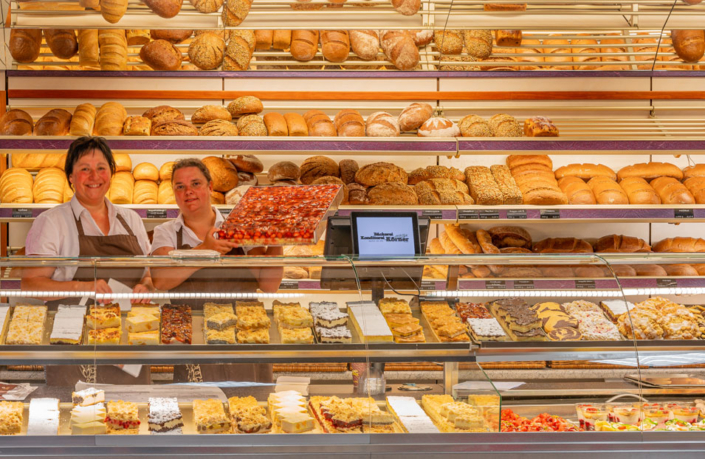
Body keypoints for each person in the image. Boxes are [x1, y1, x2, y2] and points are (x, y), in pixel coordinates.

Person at [22, 136, 153, 385]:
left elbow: (148, 273)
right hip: (74, 343)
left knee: (131, 417)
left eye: (101, 168)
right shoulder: (52, 221)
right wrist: (86, 285)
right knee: (78, 418)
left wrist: (146, 286)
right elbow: (32, 284)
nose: (94, 176)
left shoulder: (131, 219)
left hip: (128, 343)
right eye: (85, 169)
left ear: (111, 174)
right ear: (71, 177)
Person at [151, 158, 283, 382]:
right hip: (194, 344)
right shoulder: (166, 232)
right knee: (199, 414)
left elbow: (269, 285)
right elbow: (161, 280)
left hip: (246, 338)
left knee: (252, 413)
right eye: (180, 186)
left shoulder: (240, 226)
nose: (188, 192)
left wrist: (279, 238)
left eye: (195, 184)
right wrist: (205, 250)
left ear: (210, 187)